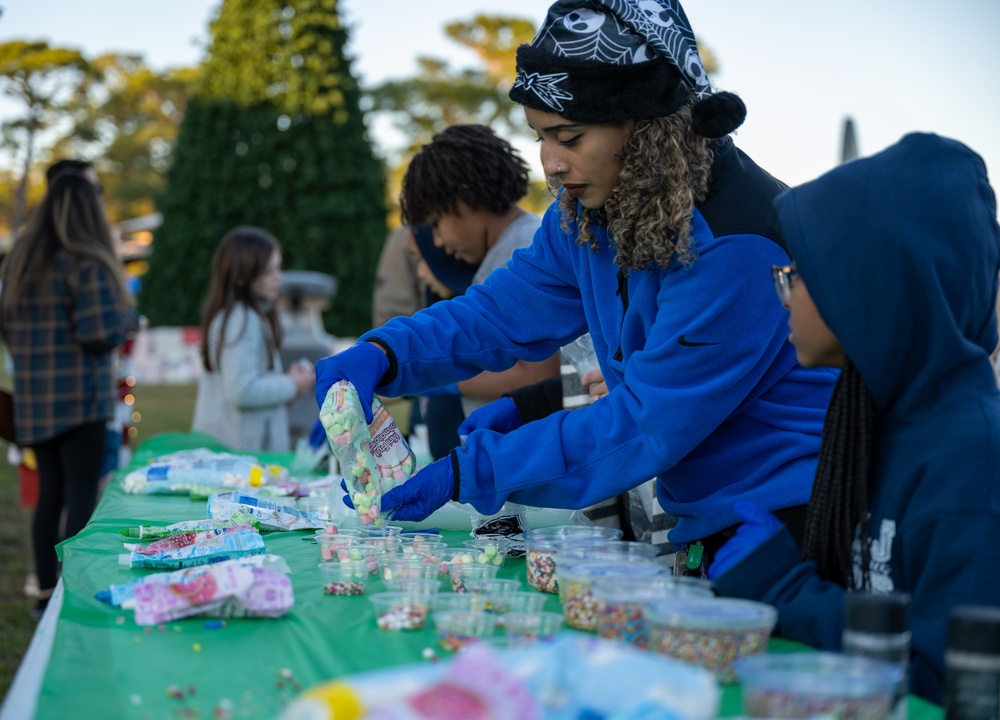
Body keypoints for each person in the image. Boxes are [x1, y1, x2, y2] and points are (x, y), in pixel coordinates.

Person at [314, 0, 838, 574]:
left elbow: (645, 422)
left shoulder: (737, 246)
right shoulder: (589, 213)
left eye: (569, 136)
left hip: (792, 521)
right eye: (540, 137)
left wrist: (473, 471)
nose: (551, 164)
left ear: (645, 129)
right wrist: (387, 354)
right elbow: (498, 314)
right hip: (715, 519)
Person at [706, 133, 1000, 702]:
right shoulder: (873, 420)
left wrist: (786, 590)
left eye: (799, 272)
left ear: (873, 287)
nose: (784, 293)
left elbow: (952, 689)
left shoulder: (971, 460)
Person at [0, 168, 139, 618]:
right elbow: (99, 331)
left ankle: (45, 592)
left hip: (34, 402)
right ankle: (75, 588)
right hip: (81, 400)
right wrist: (128, 321)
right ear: (89, 208)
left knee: (50, 495)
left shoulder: (19, 262)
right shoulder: (88, 261)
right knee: (81, 494)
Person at [399, 123, 561, 417]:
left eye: (436, 223)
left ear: (465, 196)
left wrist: (435, 381)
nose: (438, 241)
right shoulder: (506, 248)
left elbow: (537, 375)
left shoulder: (523, 248)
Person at [192, 226, 314, 452]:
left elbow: (246, 379)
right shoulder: (241, 319)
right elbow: (242, 390)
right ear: (241, 276)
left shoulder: (247, 315)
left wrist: (283, 384)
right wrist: (291, 384)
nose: (279, 277)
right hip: (238, 459)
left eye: (278, 268)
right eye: (268, 271)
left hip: (239, 458)